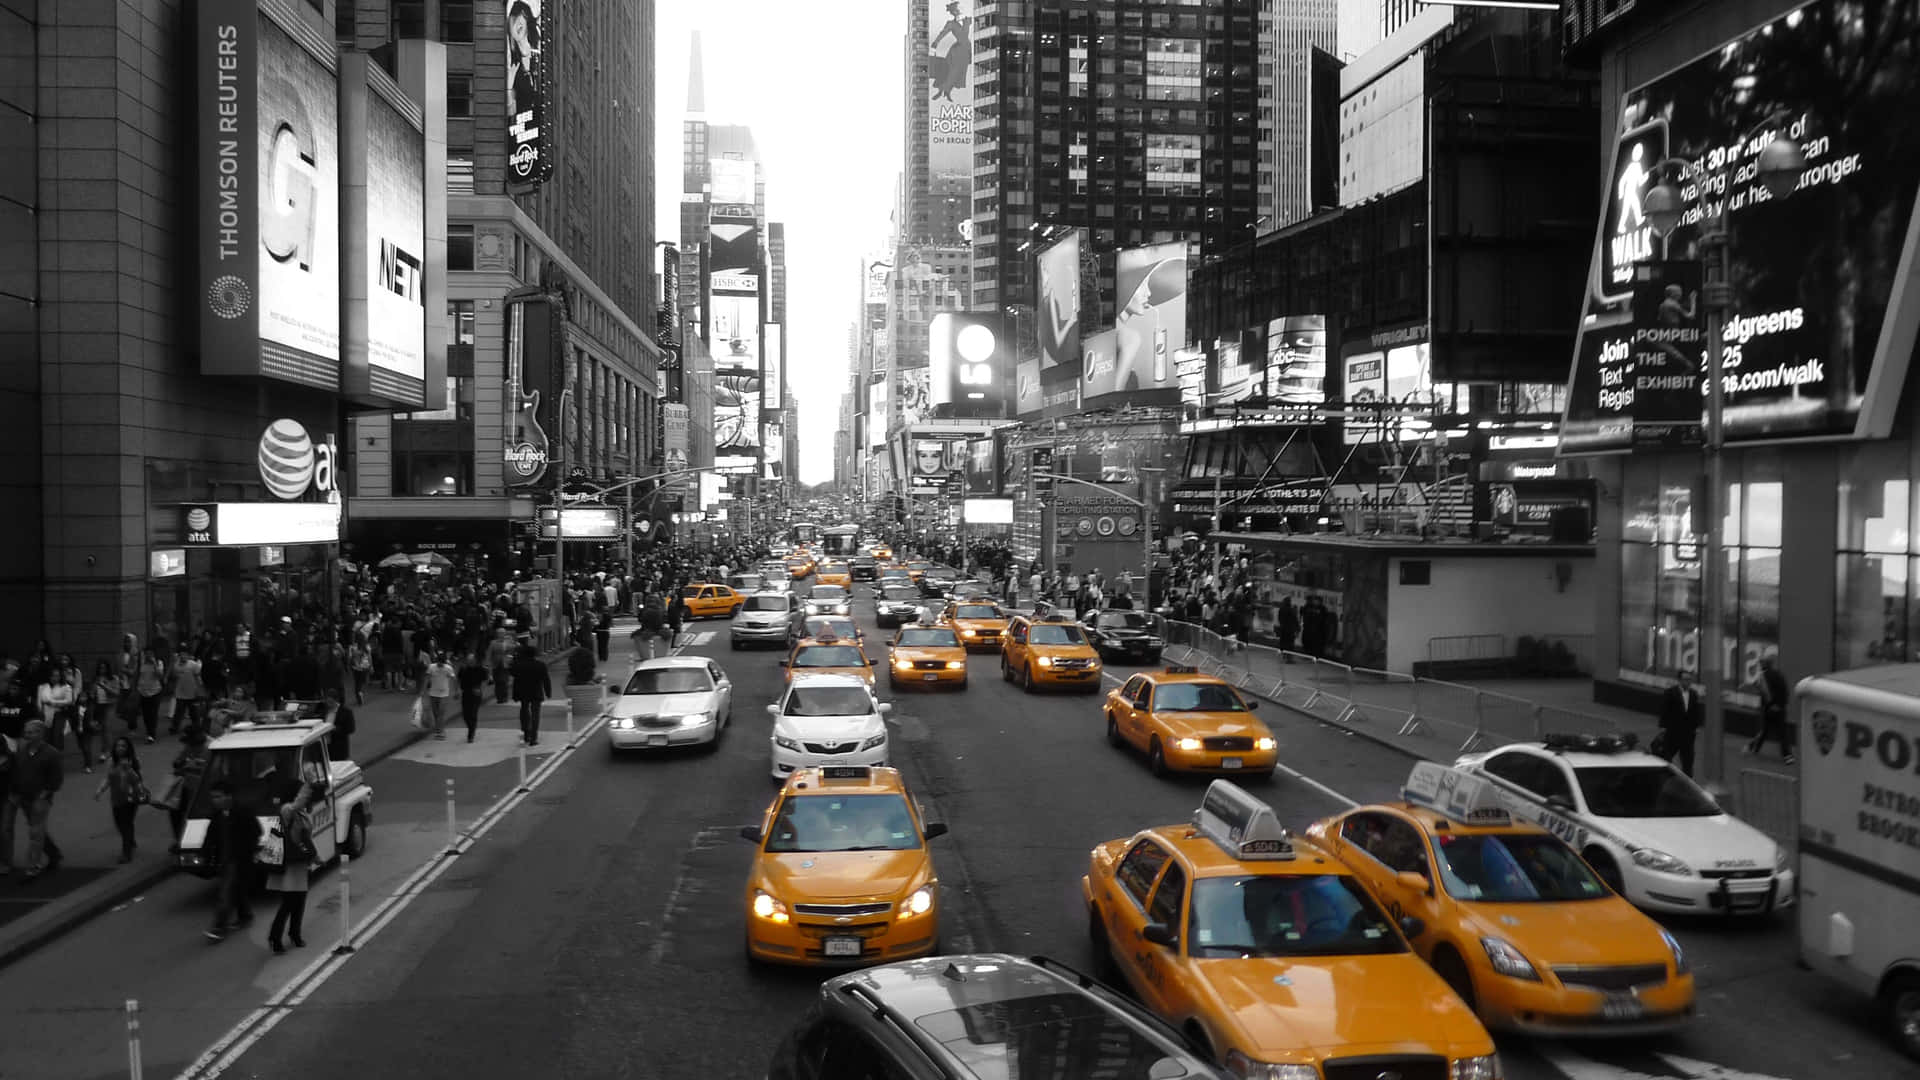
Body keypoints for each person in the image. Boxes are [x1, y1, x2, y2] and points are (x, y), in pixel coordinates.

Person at [204, 780, 261, 941]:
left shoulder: (243, 812)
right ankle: (245, 916)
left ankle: (219, 928)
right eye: (213, 797)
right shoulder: (217, 815)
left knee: (225, 893)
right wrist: (206, 855)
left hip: (239, 860)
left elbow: (257, 832)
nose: (215, 800)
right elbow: (210, 837)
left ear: (229, 796)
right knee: (236, 890)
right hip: (224, 861)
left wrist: (246, 850)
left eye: (218, 796)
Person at [5, 720, 63, 878]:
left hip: (40, 799)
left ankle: (33, 865)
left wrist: (43, 796)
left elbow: (56, 780)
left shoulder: (52, 754)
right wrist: (14, 793)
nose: (27, 735)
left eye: (31, 732)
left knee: (35, 833)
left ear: (41, 733)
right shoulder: (21, 751)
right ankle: (54, 854)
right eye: (26, 732)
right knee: (35, 829)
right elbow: (16, 773)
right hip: (21, 797)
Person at [266, 783, 315, 954]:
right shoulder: (288, 810)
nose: (307, 799)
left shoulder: (303, 814)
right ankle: (275, 937)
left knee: (299, 902)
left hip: (300, 864)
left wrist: (316, 858)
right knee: (288, 904)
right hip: (289, 865)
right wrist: (308, 786)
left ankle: (295, 933)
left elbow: (306, 840)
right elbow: (298, 803)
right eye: (303, 795)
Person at [92, 736, 145, 863]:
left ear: (128, 748)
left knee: (126, 823)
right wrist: (100, 790)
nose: (120, 748)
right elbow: (108, 778)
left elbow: (137, 779)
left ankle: (126, 853)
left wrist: (129, 769)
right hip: (116, 798)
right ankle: (130, 840)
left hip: (131, 798)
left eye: (123, 746)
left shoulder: (133, 761)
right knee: (119, 823)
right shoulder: (111, 762)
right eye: (118, 746)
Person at [1747, 656, 1794, 764]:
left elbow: (1765, 692)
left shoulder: (1763, 676)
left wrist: (1770, 705)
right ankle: (1787, 756)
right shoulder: (1779, 675)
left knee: (1764, 731)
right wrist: (1780, 705)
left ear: (1764, 665)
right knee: (1782, 732)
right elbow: (1785, 691)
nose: (1760, 665)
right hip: (1780, 709)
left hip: (1769, 709)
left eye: (1761, 664)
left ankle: (1753, 748)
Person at [1658, 669, 1704, 777]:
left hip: (1688, 734)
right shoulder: (1670, 693)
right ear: (1679, 680)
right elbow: (1664, 710)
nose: (1688, 682)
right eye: (1685, 679)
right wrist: (1663, 726)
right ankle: (1664, 778)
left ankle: (1688, 784)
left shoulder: (1693, 694)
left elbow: (1696, 711)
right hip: (1673, 732)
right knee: (1667, 757)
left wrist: (1697, 726)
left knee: (1688, 761)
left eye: (1689, 679)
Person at [510, 645, 551, 747]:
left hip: (522, 691)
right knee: (535, 714)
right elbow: (546, 679)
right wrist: (548, 692)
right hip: (536, 691)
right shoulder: (540, 665)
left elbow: (513, 675)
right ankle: (534, 737)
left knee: (524, 710)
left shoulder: (518, 665)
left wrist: (515, 658)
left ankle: (526, 733)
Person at [422, 652, 456, 740]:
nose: (439, 664)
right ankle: (438, 729)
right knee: (436, 713)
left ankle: (441, 732)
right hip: (433, 693)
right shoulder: (431, 667)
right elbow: (427, 678)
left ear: (444, 662)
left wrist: (456, 691)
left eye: (441, 662)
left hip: (444, 694)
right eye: (438, 662)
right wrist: (423, 690)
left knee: (441, 712)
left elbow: (454, 679)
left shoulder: (448, 668)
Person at [458, 651, 489, 742]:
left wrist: (480, 689)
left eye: (471, 660)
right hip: (465, 692)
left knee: (473, 713)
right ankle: (471, 726)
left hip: (476, 693)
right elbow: (458, 679)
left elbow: (485, 680)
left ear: (475, 661)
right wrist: (457, 691)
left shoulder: (480, 669)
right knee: (465, 714)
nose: (470, 662)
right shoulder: (463, 669)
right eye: (468, 660)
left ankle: (471, 734)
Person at [324, 687, 355, 762]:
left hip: (339, 748)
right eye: (327, 702)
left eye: (331, 702)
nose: (329, 705)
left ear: (336, 700)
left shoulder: (346, 712)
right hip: (325, 747)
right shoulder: (323, 711)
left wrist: (335, 729)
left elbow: (351, 729)